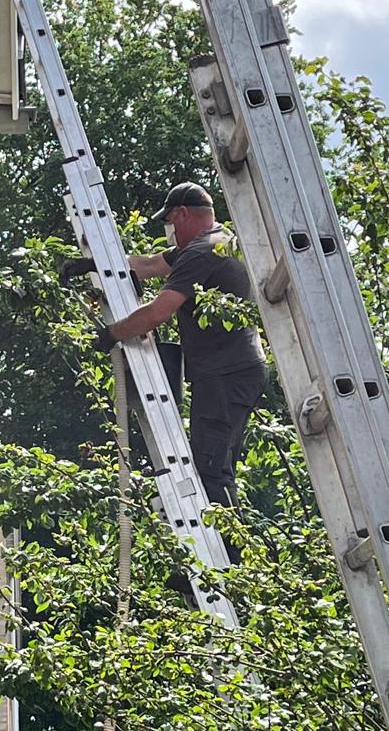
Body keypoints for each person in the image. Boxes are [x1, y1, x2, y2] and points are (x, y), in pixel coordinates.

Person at [59, 182, 268, 510]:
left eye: (169, 221)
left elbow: (158, 312)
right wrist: (94, 265)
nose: (168, 229)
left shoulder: (201, 252)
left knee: (211, 472)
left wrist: (112, 333)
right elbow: (150, 264)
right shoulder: (216, 242)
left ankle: (229, 552)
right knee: (214, 464)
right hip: (232, 371)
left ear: (183, 214)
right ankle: (229, 541)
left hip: (225, 375)